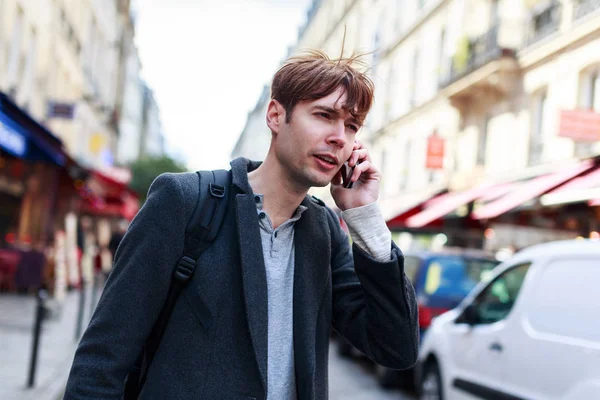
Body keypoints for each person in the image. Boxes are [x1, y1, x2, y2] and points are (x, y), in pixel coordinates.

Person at [64, 50, 419, 399]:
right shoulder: (185, 202)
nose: (340, 137)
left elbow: (396, 349)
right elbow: (103, 361)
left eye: (352, 126)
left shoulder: (324, 232)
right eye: (324, 115)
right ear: (276, 116)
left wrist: (364, 217)